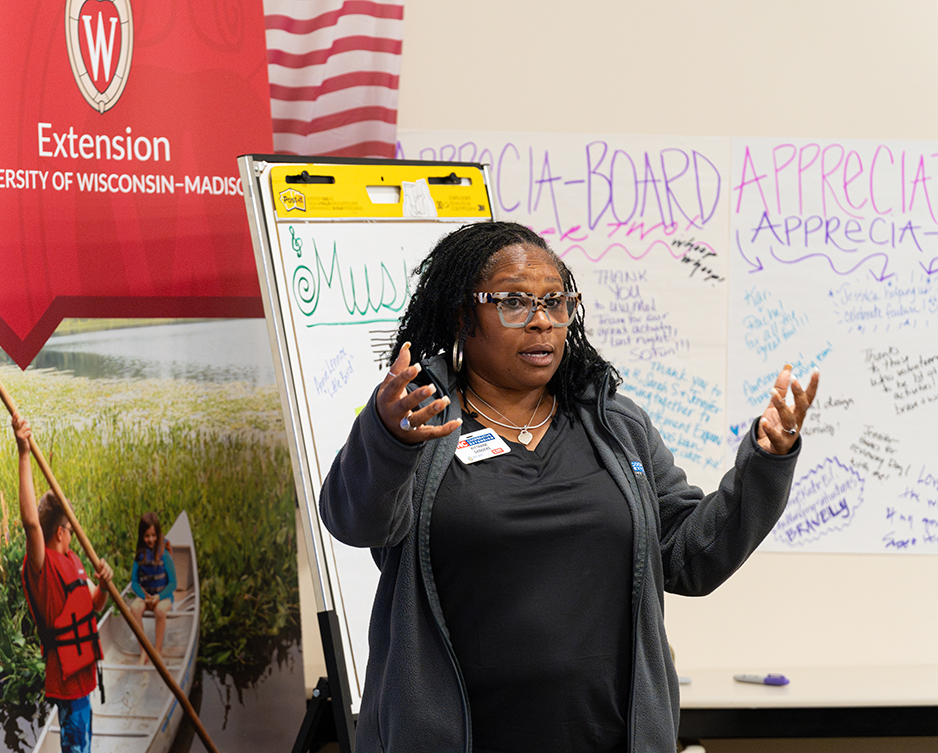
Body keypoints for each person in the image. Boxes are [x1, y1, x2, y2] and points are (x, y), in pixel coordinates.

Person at [319, 221, 819, 753]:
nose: (541, 323)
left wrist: (768, 459)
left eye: (556, 303)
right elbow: (356, 522)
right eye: (514, 302)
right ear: (465, 316)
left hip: (608, 739)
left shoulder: (613, 425)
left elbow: (690, 557)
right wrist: (388, 441)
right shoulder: (424, 420)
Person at [14, 413, 112, 753]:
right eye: (71, 529)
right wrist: (24, 452)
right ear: (60, 532)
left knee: (84, 743)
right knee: (76, 746)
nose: (73, 535)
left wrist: (103, 586)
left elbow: (91, 605)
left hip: (84, 678)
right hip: (68, 685)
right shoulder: (43, 566)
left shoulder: (73, 561)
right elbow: (29, 522)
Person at [129, 511, 177, 665]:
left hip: (163, 596)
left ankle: (157, 651)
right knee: (134, 609)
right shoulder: (140, 556)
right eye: (147, 536)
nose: (151, 539)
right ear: (142, 536)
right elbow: (134, 582)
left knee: (160, 611)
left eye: (154, 535)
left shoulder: (164, 554)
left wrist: (159, 597)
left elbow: (173, 583)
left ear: (158, 535)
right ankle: (144, 651)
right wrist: (144, 597)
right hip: (147, 596)